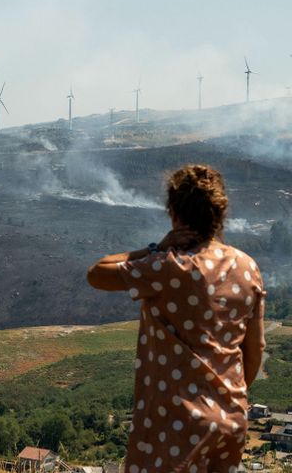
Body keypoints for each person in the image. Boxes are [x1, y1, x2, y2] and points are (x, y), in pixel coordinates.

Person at [87, 164, 265, 473]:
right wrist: (227, 398)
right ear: (219, 213)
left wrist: (155, 247)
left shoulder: (169, 267)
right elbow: (255, 348)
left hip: (175, 423)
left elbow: (97, 273)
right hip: (230, 419)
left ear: (174, 214)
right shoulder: (247, 267)